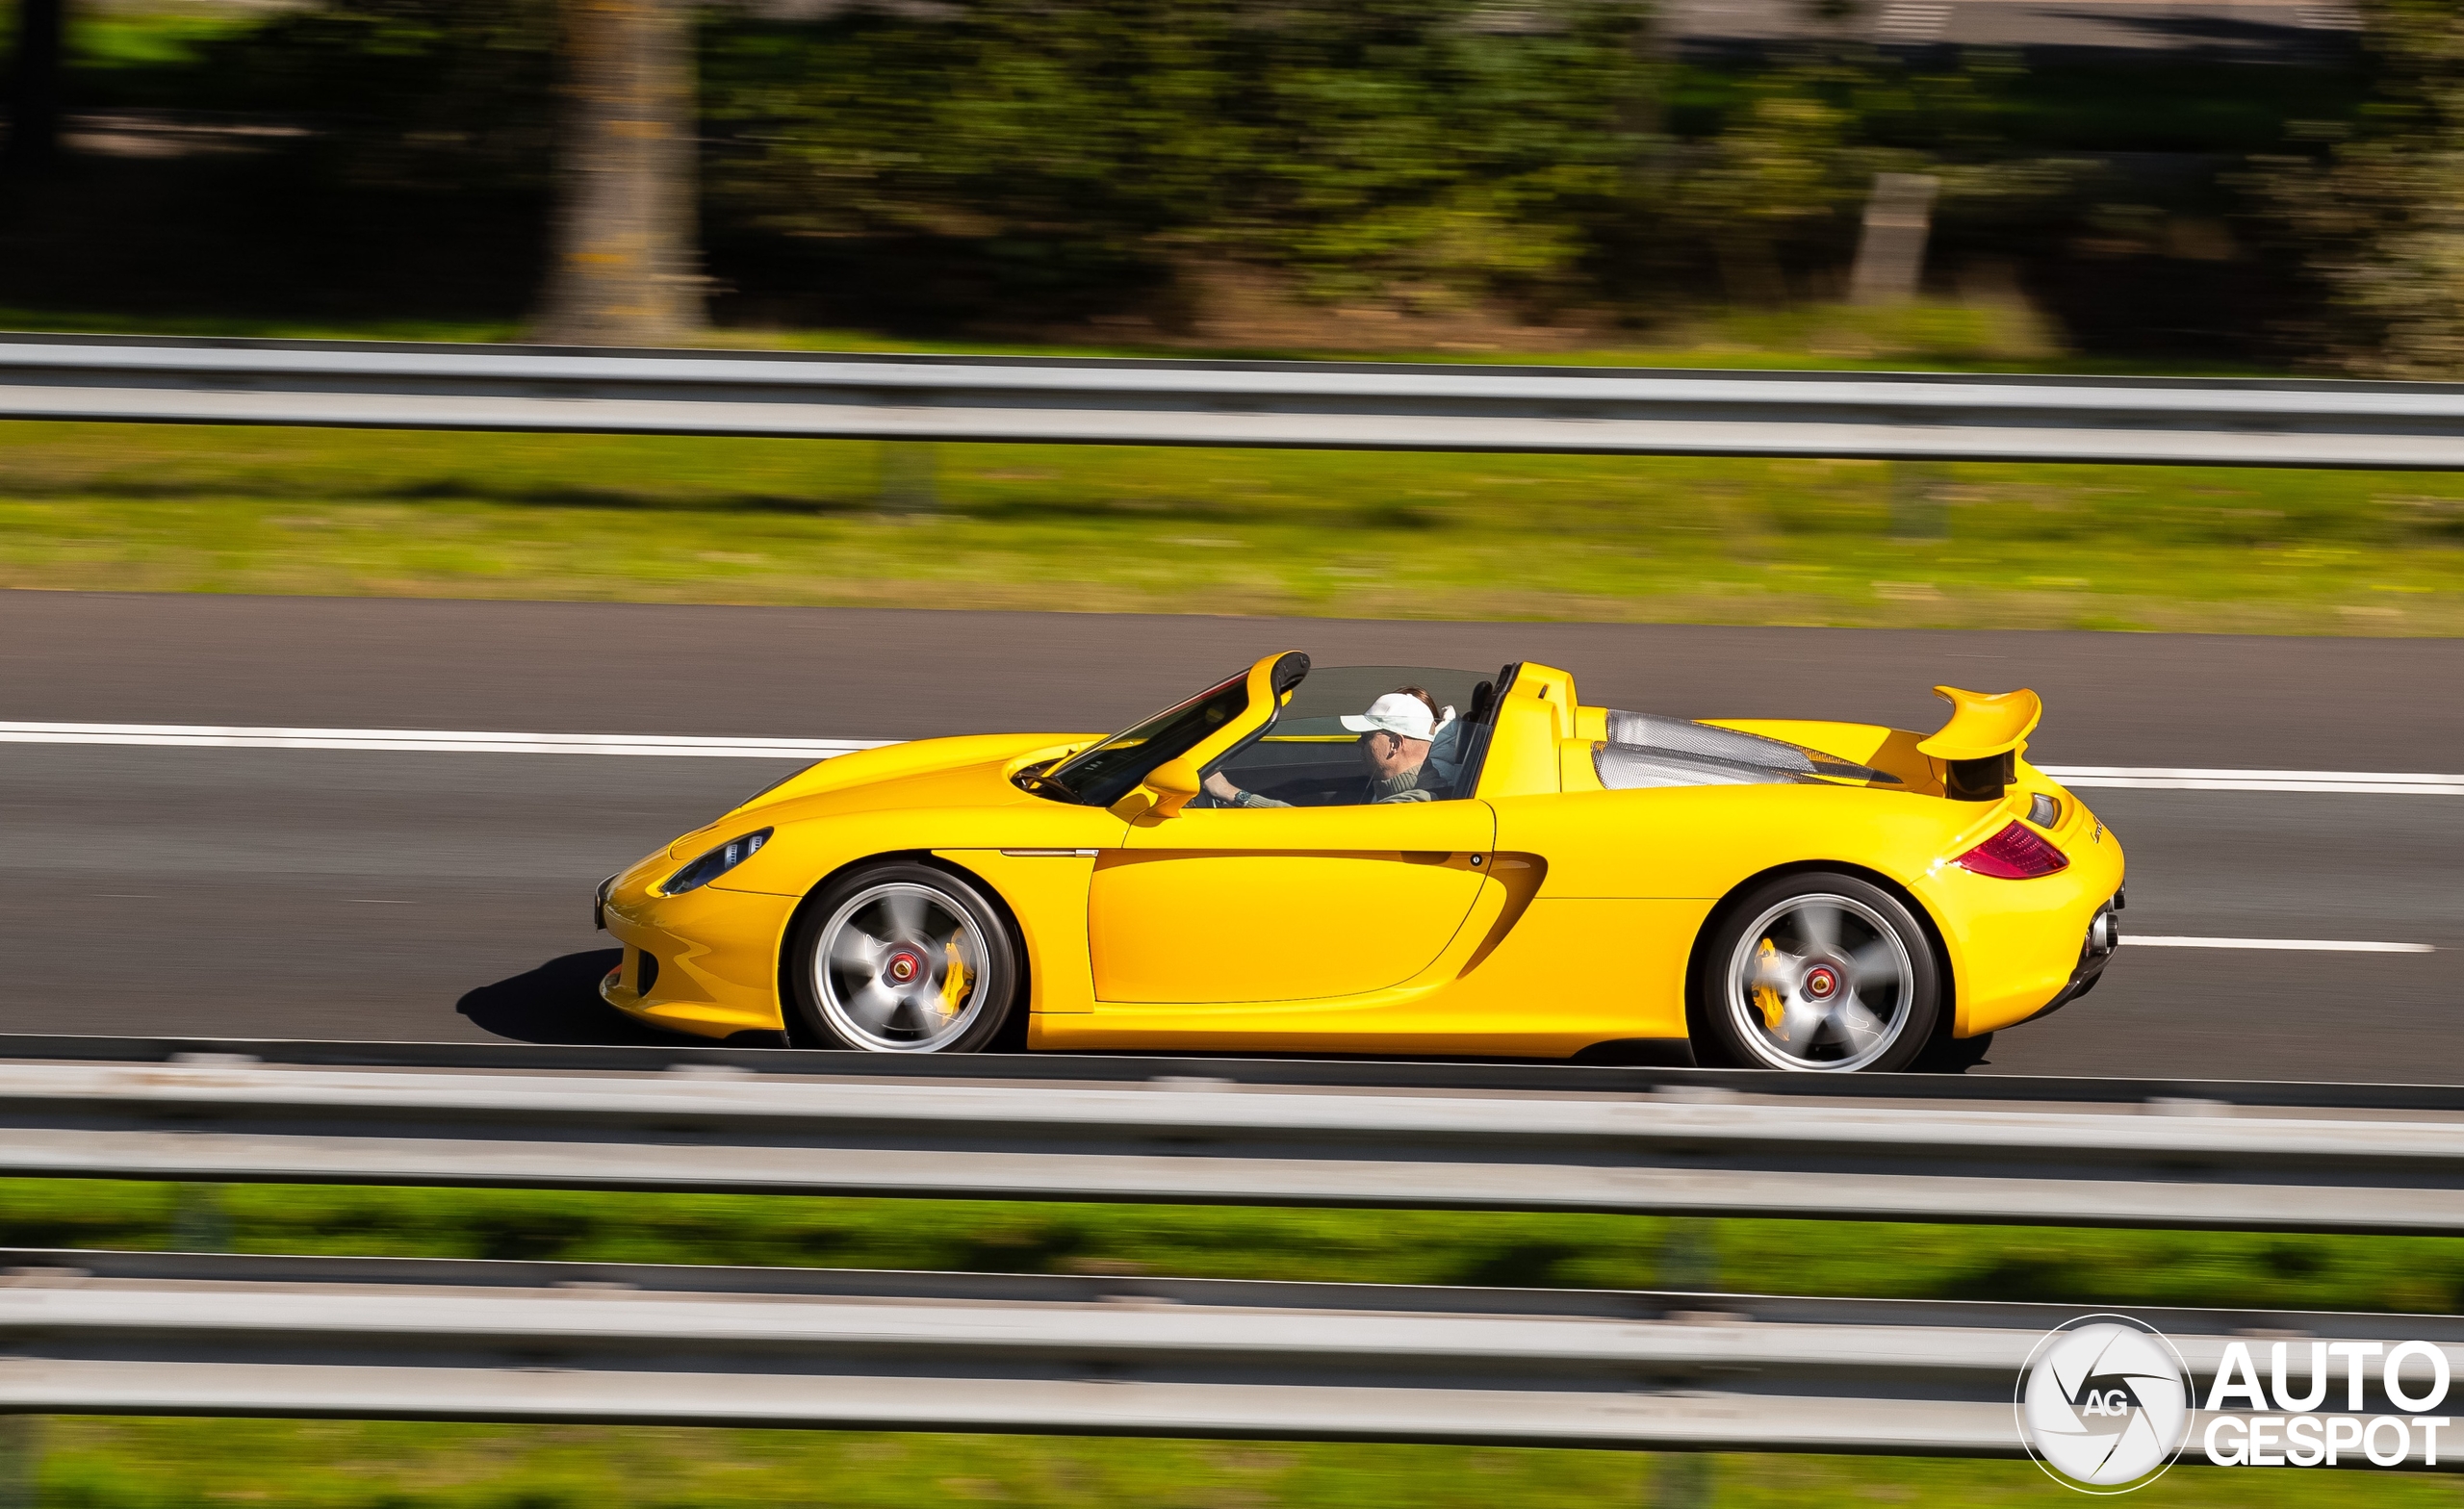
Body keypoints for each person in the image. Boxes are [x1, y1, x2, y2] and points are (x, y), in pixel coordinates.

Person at [1202, 686, 1454, 808]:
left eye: (1367, 736)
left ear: (1395, 744)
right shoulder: (1390, 788)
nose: (1359, 742)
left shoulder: (1412, 806)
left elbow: (1317, 830)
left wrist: (1233, 794)